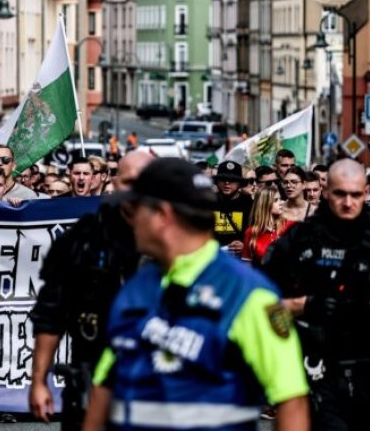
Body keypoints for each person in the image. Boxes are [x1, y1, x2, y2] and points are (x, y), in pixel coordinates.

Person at [83, 158, 310, 431]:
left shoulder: (251, 295)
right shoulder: (136, 288)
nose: (127, 216)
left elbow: (291, 399)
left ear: (163, 216)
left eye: (135, 208)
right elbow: (104, 386)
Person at [261, 159, 370, 430]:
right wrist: (304, 307)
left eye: (355, 194)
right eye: (340, 193)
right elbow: (265, 310)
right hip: (314, 372)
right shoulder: (298, 242)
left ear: (366, 192)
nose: (348, 202)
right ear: (326, 190)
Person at [29, 150, 154, 431]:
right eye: (128, 182)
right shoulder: (85, 238)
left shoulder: (176, 236)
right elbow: (50, 314)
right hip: (90, 369)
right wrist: (38, 381)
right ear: (115, 183)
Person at [241, 186, 295, 267]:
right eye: (276, 200)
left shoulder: (289, 225)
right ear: (265, 204)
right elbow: (246, 265)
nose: (281, 203)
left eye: (280, 199)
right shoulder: (251, 232)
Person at [212, 160, 254, 254]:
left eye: (232, 180)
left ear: (239, 183)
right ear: (217, 182)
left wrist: (245, 244)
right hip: (213, 256)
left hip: (239, 258)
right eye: (223, 179)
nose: (227, 183)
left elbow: (255, 232)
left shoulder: (249, 203)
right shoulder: (209, 201)